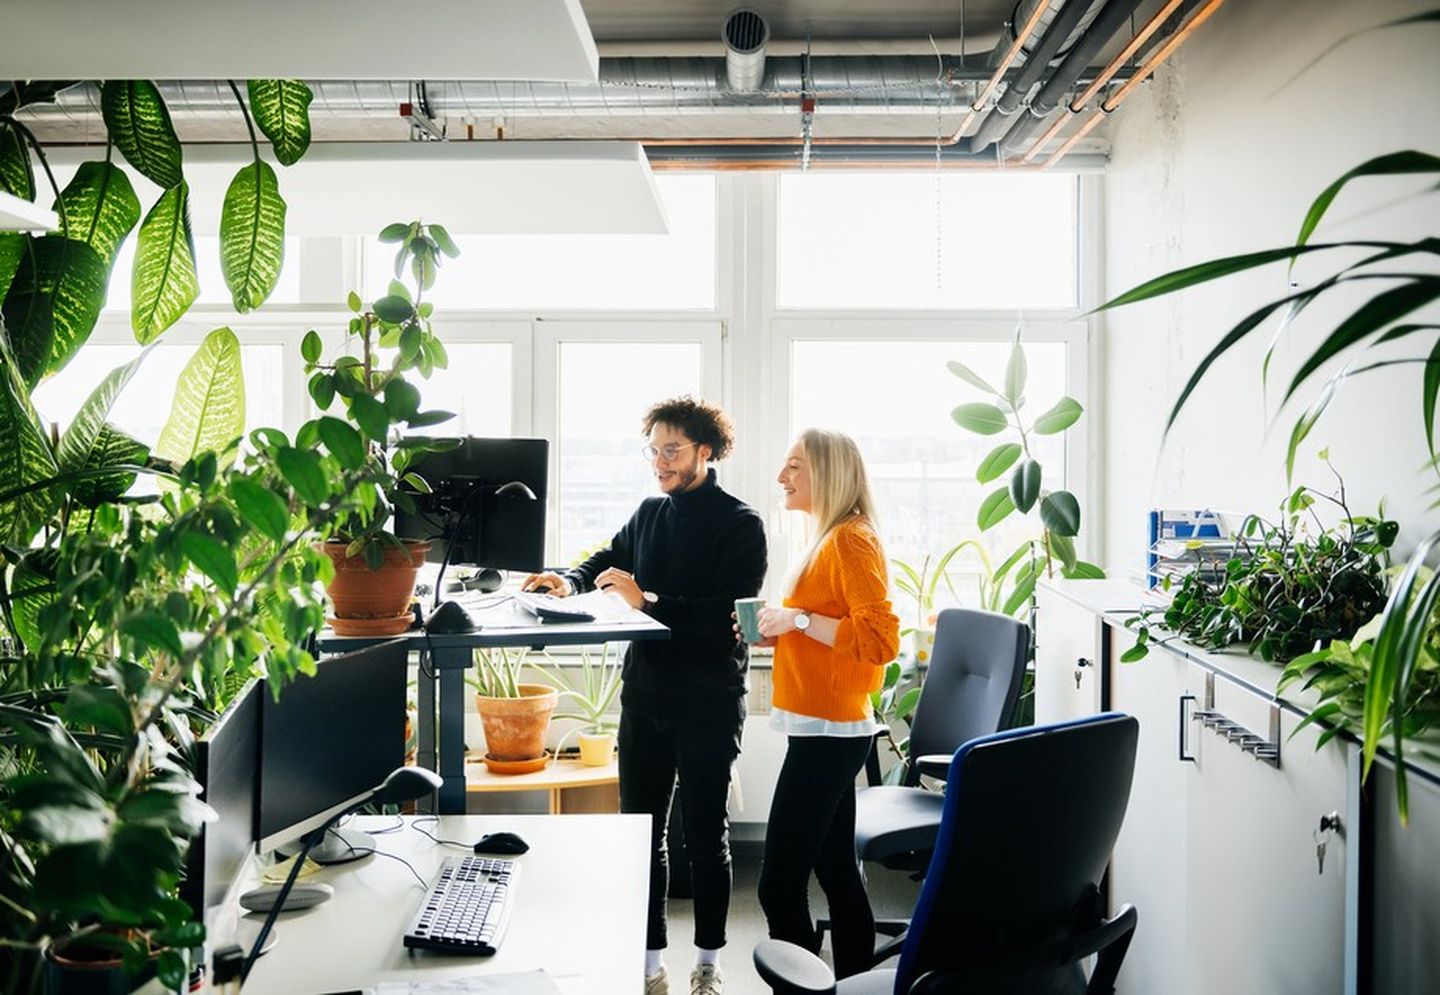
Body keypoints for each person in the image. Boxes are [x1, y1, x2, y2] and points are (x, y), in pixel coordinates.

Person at [523, 396, 767, 995]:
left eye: (672, 450)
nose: (659, 461)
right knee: (641, 834)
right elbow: (609, 560)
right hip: (647, 696)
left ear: (705, 452)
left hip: (709, 699)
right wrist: (570, 578)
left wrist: (648, 601)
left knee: (706, 836)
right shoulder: (650, 512)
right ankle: (649, 963)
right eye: (653, 449)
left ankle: (708, 965)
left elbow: (724, 621)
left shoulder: (742, 524)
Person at [750, 428, 900, 980]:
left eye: (793, 466)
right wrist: (783, 629)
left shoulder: (850, 540)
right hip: (824, 726)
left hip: (831, 733)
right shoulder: (829, 537)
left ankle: (803, 987)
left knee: (777, 884)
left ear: (827, 473)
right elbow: (829, 629)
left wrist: (801, 620)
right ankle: (856, 984)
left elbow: (880, 640)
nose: (781, 478)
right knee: (836, 870)